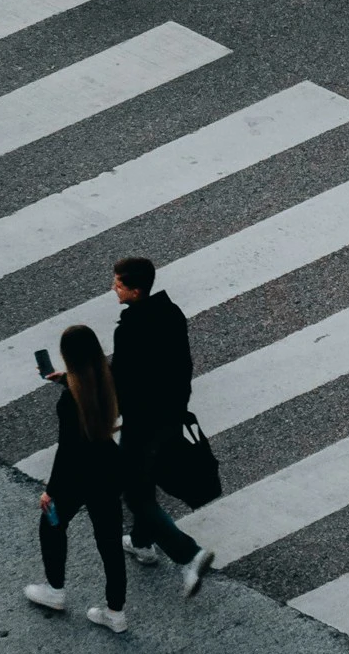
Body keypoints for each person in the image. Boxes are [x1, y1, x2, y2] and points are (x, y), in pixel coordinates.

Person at [111, 254, 213, 597]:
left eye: (119, 284)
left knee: (135, 493)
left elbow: (119, 380)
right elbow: (183, 366)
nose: (114, 288)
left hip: (142, 423)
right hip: (171, 415)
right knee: (146, 478)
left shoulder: (130, 330)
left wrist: (73, 382)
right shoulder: (170, 314)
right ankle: (142, 543)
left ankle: (189, 554)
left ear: (136, 291)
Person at [25, 324, 128, 633]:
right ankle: (116, 613)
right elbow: (91, 392)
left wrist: (51, 490)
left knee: (52, 524)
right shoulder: (108, 375)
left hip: (77, 476)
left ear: (67, 357)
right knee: (109, 543)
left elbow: (67, 450)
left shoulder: (70, 402)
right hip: (108, 470)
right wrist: (66, 382)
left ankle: (55, 590)